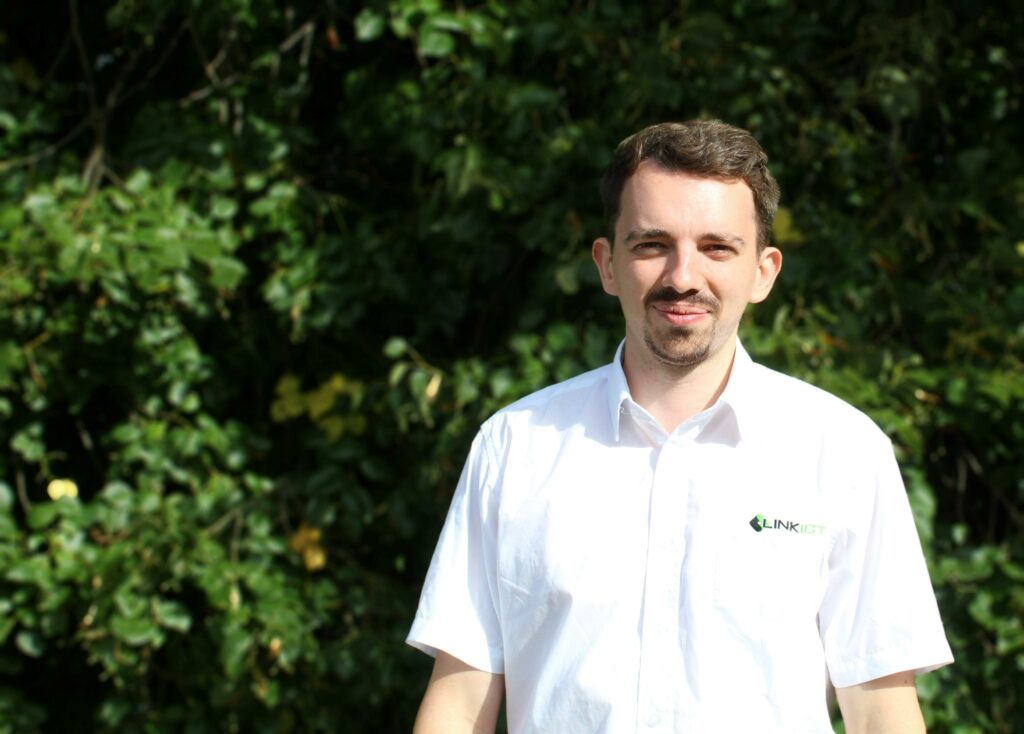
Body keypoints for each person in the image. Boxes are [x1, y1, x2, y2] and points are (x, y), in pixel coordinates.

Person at [406, 119, 953, 733]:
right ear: (607, 264)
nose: (683, 276)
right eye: (651, 245)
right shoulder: (514, 446)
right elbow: (458, 706)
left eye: (717, 248)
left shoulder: (844, 451)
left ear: (764, 272)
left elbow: (881, 713)